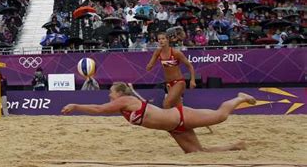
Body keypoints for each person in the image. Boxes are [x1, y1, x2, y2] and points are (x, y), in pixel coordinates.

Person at [62, 82, 255, 153]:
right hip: (173, 127)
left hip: (181, 115)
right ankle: (234, 146)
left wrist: (76, 105)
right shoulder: (124, 104)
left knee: (220, 115)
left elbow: (99, 109)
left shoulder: (124, 100)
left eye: (111, 92)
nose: (109, 95)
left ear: (120, 93)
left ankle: (240, 98)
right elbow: (102, 108)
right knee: (197, 153)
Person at [146, 32, 196, 109]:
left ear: (167, 40)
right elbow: (149, 67)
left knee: (166, 104)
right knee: (178, 107)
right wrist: (150, 65)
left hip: (179, 81)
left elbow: (190, 66)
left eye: (163, 39)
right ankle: (184, 120)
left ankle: (168, 120)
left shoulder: (176, 52)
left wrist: (192, 80)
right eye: (159, 39)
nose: (161, 41)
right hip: (168, 83)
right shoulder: (158, 52)